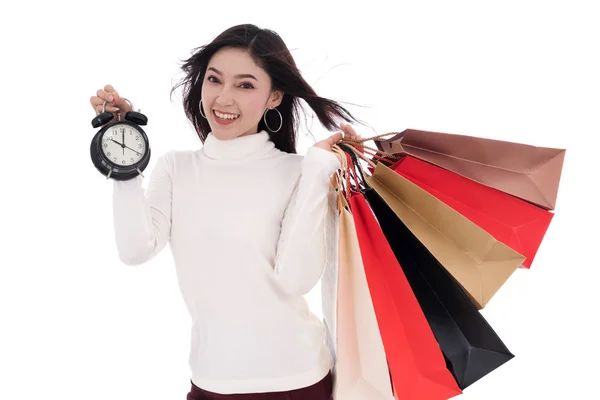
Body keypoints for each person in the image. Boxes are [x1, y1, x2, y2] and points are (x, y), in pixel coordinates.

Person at [89, 23, 364, 400]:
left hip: (295, 383)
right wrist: (124, 161)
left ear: (274, 97)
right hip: (208, 383)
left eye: (245, 85)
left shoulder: (300, 171)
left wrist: (316, 174)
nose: (223, 98)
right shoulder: (176, 168)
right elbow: (135, 250)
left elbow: (297, 280)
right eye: (214, 80)